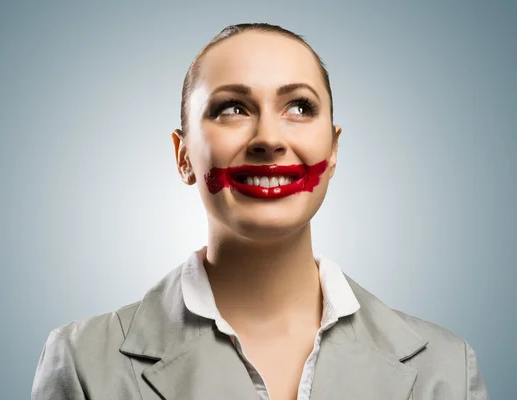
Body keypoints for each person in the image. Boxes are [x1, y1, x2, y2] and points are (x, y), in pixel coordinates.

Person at [31, 23, 489, 400]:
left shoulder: (445, 369)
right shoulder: (82, 363)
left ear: (332, 152)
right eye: (232, 108)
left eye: (299, 106)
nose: (268, 137)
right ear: (184, 156)